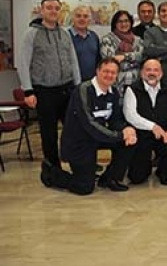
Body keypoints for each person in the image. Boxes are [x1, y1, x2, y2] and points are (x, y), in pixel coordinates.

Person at [40, 58, 137, 195]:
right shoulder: (83, 90)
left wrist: (126, 129)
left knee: (129, 142)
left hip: (98, 137)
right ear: (97, 71)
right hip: (79, 142)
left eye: (113, 72)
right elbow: (89, 123)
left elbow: (115, 120)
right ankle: (51, 173)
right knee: (84, 187)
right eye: (106, 71)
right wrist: (119, 135)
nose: (109, 75)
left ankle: (110, 179)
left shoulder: (114, 93)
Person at [17, 0, 81, 167]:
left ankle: (77, 164)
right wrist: (28, 91)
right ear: (42, 10)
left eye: (57, 8)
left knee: (73, 130)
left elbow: (73, 60)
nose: (53, 11)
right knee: (49, 133)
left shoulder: (65, 33)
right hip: (45, 91)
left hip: (67, 89)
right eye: (49, 8)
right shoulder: (31, 34)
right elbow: (23, 63)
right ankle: (54, 169)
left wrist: (78, 85)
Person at [122, 59, 167, 186]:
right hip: (141, 135)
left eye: (156, 70)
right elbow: (130, 115)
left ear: (161, 73)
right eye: (148, 70)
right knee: (137, 178)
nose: (152, 73)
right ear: (141, 73)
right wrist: (152, 127)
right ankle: (143, 169)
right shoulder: (132, 89)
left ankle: (163, 172)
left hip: (164, 133)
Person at [100, 10, 145, 97]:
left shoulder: (138, 40)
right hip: (116, 86)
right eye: (120, 21)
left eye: (126, 21)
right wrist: (134, 59)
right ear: (115, 24)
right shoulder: (107, 40)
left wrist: (124, 56)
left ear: (131, 22)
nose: (123, 24)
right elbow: (110, 61)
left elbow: (141, 57)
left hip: (136, 85)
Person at [69, 6, 100, 81]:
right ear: (73, 18)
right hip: (72, 82)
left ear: (89, 20)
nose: (82, 19)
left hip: (92, 81)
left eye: (85, 16)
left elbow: (98, 59)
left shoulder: (94, 36)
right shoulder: (66, 36)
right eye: (78, 16)